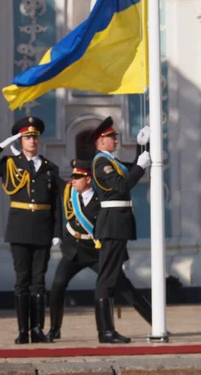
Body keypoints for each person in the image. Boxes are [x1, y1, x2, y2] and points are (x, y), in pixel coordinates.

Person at [0, 116, 62, 344]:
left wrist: (57, 232)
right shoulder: (11, 164)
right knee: (22, 281)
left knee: (39, 281)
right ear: (20, 140)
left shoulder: (50, 168)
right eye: (26, 137)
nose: (31, 141)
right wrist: (2, 145)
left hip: (42, 230)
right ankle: (23, 330)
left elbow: (56, 204)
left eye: (34, 137)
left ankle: (37, 329)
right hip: (20, 229)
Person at [47, 158, 152, 341]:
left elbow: (111, 228)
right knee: (57, 285)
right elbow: (54, 177)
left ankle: (154, 320)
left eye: (78, 177)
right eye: (73, 177)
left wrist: (123, 256)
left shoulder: (102, 198)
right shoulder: (69, 192)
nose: (73, 180)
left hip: (96, 250)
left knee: (124, 287)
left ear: (88, 179)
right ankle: (55, 328)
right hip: (73, 250)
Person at [91, 116, 151, 343]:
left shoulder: (113, 162)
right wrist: (139, 166)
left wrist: (142, 144)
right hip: (112, 223)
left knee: (111, 276)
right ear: (101, 140)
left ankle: (108, 330)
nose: (116, 139)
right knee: (106, 278)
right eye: (111, 137)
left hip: (118, 223)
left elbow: (134, 167)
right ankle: (105, 331)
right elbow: (122, 185)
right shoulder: (101, 163)